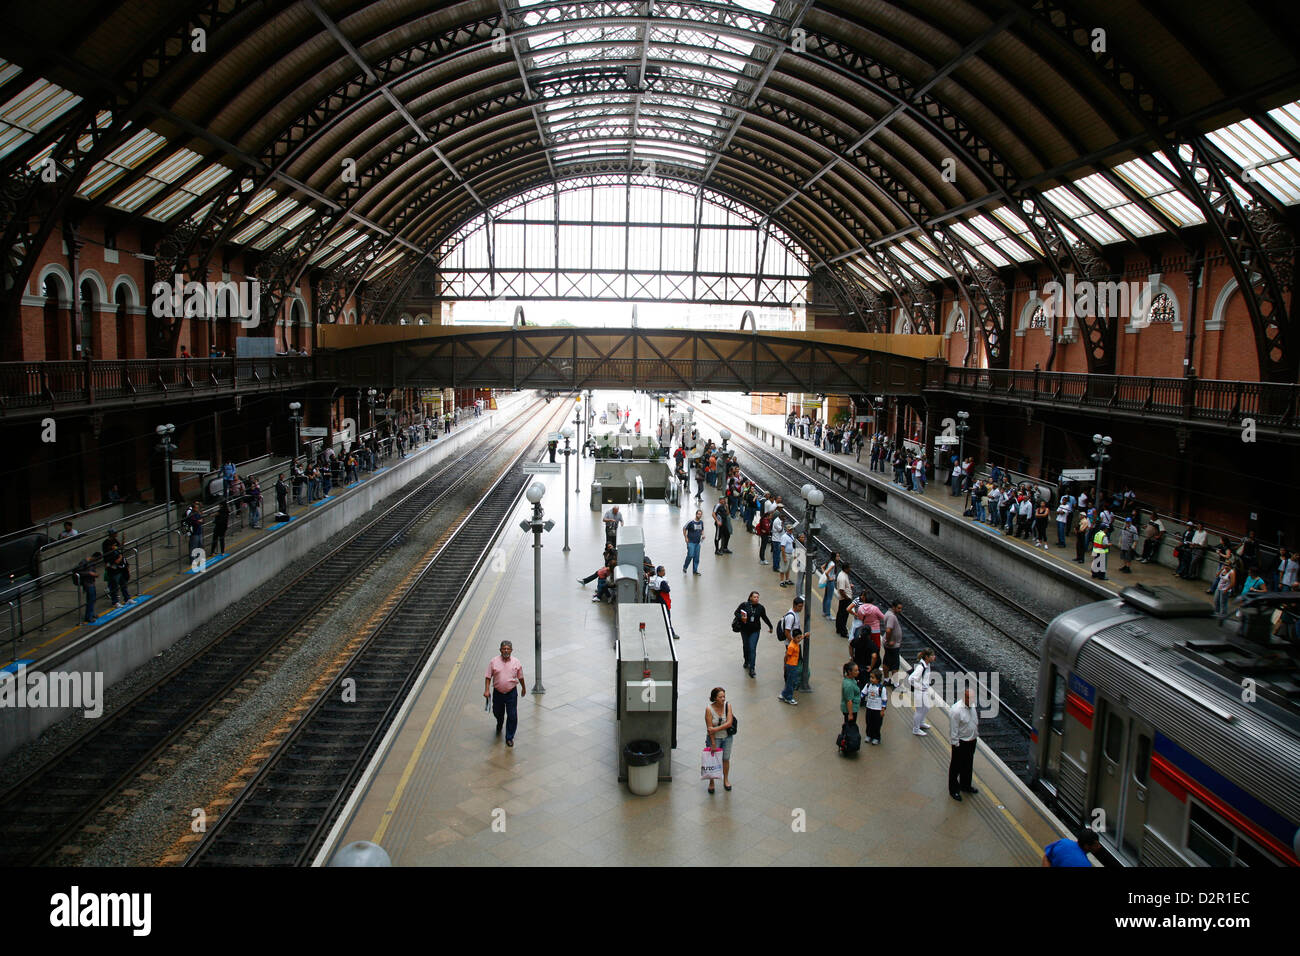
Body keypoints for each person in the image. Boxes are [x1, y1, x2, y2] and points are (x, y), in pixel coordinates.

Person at [483, 640, 526, 747]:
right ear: (500, 650)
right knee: (497, 712)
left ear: (511, 650)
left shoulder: (516, 662)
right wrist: (487, 690)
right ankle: (500, 721)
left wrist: (523, 688)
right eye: (504, 648)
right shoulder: (493, 661)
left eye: (508, 649)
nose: (506, 650)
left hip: (511, 693)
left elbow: (520, 677)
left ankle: (509, 737)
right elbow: (488, 677)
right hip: (498, 693)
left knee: (512, 715)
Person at [949, 686, 979, 801]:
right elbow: (954, 730)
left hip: (971, 741)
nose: (971, 700)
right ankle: (953, 790)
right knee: (956, 767)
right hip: (961, 743)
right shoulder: (956, 710)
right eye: (969, 697)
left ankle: (965, 785)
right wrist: (955, 745)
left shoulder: (972, 706)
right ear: (963, 697)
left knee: (968, 765)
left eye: (972, 697)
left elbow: (973, 720)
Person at [733, 590, 773, 678]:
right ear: (750, 597)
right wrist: (741, 617)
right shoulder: (744, 605)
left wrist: (770, 626)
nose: (756, 599)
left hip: (755, 631)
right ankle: (746, 660)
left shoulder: (760, 608)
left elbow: (764, 617)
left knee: (752, 648)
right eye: (754, 597)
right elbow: (736, 613)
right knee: (746, 646)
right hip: (744, 630)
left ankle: (752, 668)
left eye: (758, 597)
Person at [704, 687, 734, 793]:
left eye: (724, 696)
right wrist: (712, 742)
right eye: (720, 697)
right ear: (714, 698)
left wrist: (715, 729)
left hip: (727, 737)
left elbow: (729, 723)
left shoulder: (728, 705)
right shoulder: (709, 709)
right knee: (713, 760)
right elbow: (709, 728)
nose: (723, 699)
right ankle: (711, 782)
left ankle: (725, 779)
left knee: (726, 759)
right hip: (714, 739)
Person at [778, 599, 804, 705]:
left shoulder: (795, 614)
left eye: (802, 606)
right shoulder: (791, 616)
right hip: (791, 646)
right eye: (799, 606)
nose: (801, 608)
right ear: (794, 605)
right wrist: (794, 642)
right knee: (791, 672)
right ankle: (788, 695)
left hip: (793, 644)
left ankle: (784, 692)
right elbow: (787, 631)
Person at [909, 648, 936, 736]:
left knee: (927, 707)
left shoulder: (927, 665)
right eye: (932, 655)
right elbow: (911, 679)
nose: (934, 657)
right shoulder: (921, 667)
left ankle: (921, 722)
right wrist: (920, 687)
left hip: (924, 691)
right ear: (927, 657)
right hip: (920, 692)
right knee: (919, 711)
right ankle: (916, 729)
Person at [861, 669, 888, 745]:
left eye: (873, 678)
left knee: (877, 724)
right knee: (869, 722)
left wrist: (883, 710)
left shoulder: (882, 689)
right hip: (869, 708)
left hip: (877, 710)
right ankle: (869, 735)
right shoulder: (868, 685)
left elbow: (884, 700)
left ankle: (876, 737)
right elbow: (863, 693)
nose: (871, 679)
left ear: (878, 679)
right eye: (870, 677)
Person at [881, 599, 904, 685]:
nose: (900, 610)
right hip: (893, 645)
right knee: (895, 664)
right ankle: (895, 683)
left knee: (887, 661)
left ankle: (887, 679)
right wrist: (889, 640)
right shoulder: (892, 617)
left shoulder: (888, 613)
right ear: (893, 607)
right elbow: (888, 630)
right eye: (898, 608)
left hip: (891, 644)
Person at [76, 552, 100, 623]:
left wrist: (95, 574)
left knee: (93, 599)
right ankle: (88, 616)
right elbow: (78, 572)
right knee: (90, 599)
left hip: (91, 582)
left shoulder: (92, 563)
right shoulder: (84, 562)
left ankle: (91, 614)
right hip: (87, 583)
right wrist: (89, 573)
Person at [682, 508, 705, 575]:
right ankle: (685, 567)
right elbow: (684, 528)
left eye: (700, 514)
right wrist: (685, 537)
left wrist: (703, 535)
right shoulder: (691, 522)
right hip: (691, 542)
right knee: (690, 555)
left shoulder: (701, 522)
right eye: (698, 514)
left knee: (696, 557)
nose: (699, 515)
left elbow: (702, 530)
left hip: (698, 542)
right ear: (696, 514)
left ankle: (695, 571)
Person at [834, 560, 854, 637]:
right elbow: (841, 590)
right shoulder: (842, 577)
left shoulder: (843, 574)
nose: (850, 569)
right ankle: (843, 632)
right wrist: (847, 598)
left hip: (843, 599)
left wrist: (849, 586)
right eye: (849, 568)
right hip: (845, 599)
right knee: (844, 616)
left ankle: (838, 628)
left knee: (840, 614)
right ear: (846, 569)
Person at [841, 660, 860, 728]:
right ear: (849, 672)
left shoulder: (851, 679)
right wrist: (850, 714)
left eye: (857, 670)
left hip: (853, 708)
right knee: (850, 727)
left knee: (848, 725)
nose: (858, 672)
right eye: (855, 670)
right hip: (851, 709)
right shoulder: (848, 685)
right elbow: (849, 700)